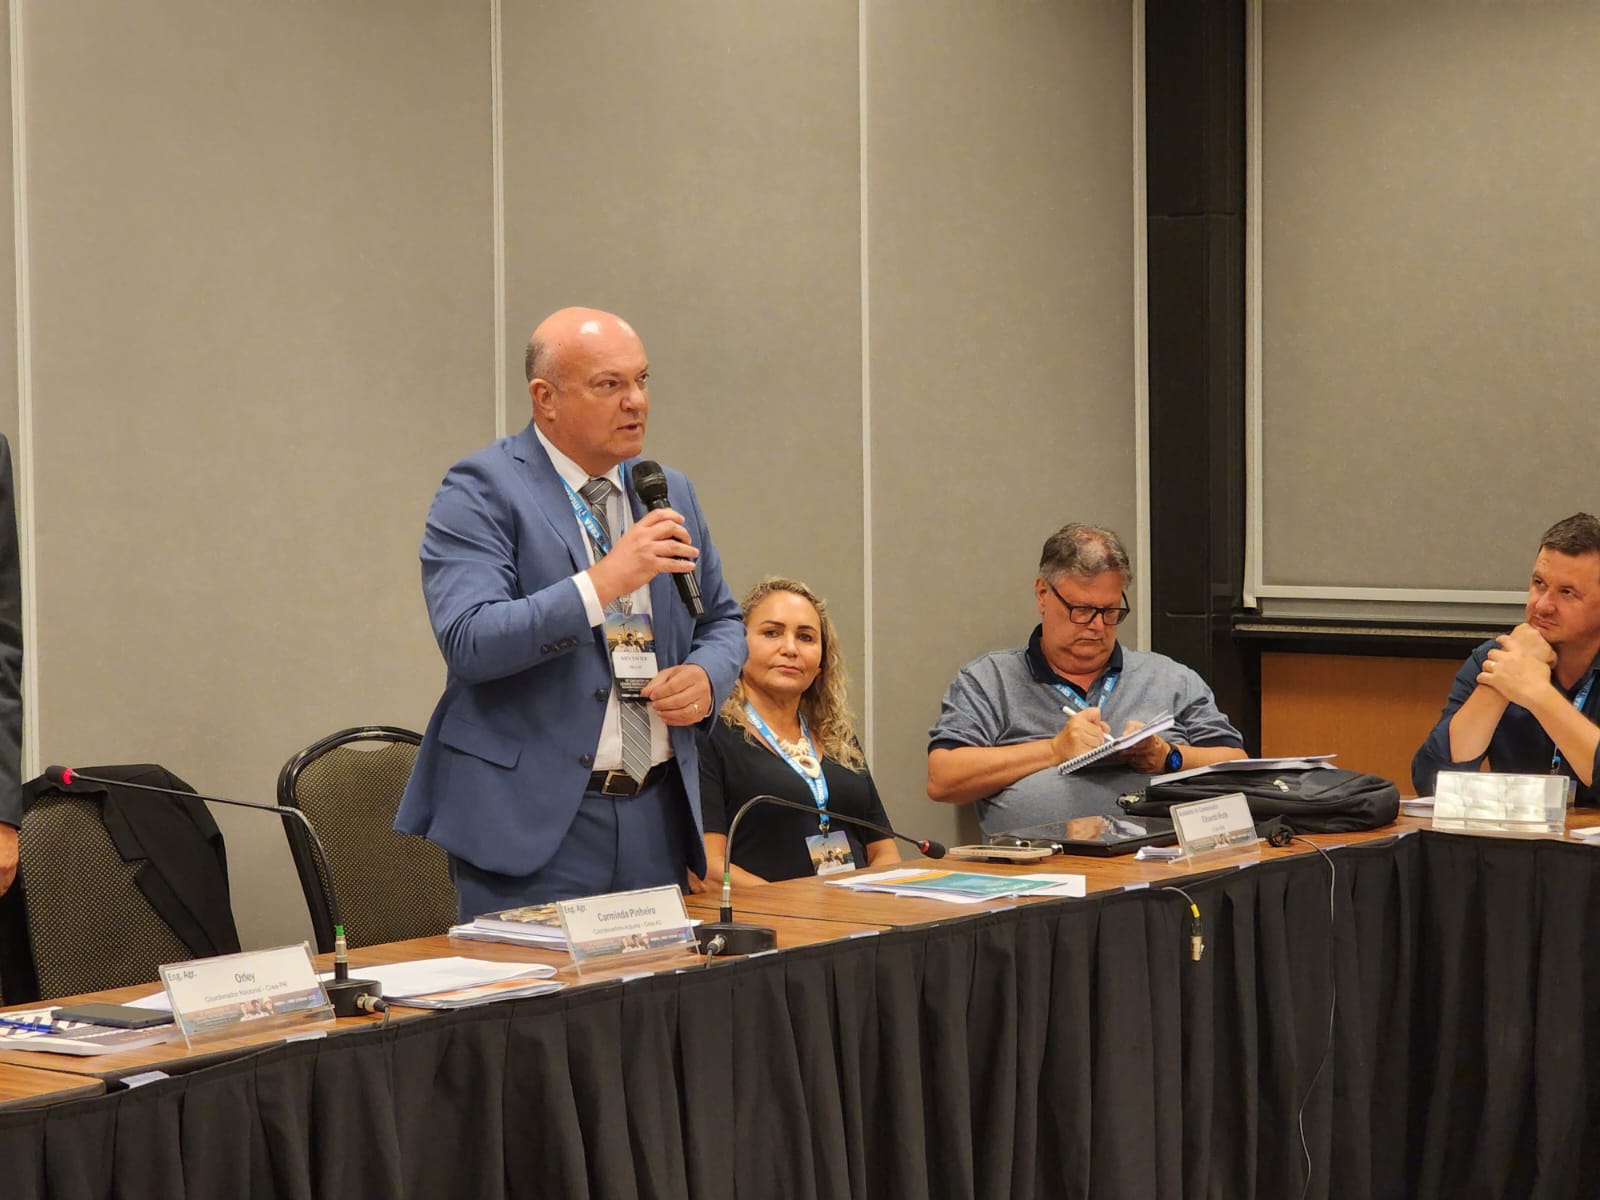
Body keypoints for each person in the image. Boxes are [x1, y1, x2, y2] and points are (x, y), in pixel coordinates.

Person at [396, 307, 746, 918]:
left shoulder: (666, 489)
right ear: (546, 398)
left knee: (656, 984)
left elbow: (722, 620)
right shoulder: (482, 487)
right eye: (609, 384)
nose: (636, 401)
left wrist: (707, 676)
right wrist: (604, 581)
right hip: (533, 826)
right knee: (535, 986)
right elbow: (471, 639)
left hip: (656, 814)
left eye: (641, 379)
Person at [927, 523, 1247, 835]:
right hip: (1044, 866)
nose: (1097, 626)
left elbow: (1236, 766)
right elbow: (942, 779)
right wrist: (1054, 750)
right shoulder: (988, 681)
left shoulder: (1172, 679)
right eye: (1081, 610)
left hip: (1161, 861)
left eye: (1110, 612)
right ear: (1042, 594)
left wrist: (1169, 756)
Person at [699, 578, 900, 883]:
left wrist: (863, 901)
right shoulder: (711, 734)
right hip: (765, 910)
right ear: (737, 646)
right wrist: (795, 904)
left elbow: (884, 852)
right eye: (772, 633)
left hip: (854, 907)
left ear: (821, 663)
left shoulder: (837, 738)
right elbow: (709, 868)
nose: (790, 649)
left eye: (806, 637)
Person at [1413, 513, 1600, 803]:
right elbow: (1433, 781)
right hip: (1523, 832)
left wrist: (1535, 692)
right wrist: (1500, 681)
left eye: (1567, 592)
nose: (1542, 605)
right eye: (1539, 583)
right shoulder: (1494, 657)